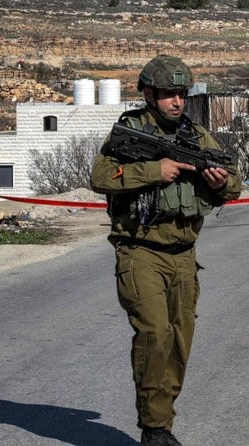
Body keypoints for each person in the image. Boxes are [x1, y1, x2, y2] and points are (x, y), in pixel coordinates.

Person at [90, 55, 241, 446]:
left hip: (185, 253)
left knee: (179, 339)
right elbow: (101, 177)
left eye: (181, 94)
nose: (176, 102)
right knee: (154, 333)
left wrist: (220, 181)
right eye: (168, 94)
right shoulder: (131, 131)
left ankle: (162, 418)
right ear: (148, 93)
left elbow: (234, 184)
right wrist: (155, 171)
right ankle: (155, 428)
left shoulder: (196, 135)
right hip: (140, 249)